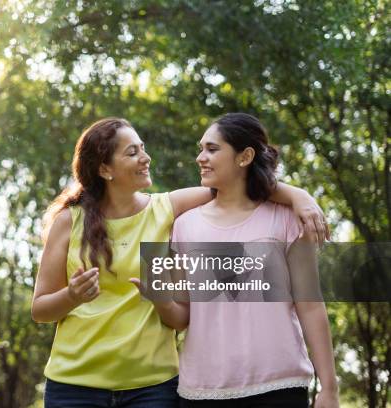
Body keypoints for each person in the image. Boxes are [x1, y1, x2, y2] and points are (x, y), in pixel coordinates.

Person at [32, 117, 329, 408]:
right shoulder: (70, 222)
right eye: (132, 152)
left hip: (151, 387)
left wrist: (297, 196)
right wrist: (72, 296)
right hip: (75, 385)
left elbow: (237, 184)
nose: (145, 157)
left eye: (142, 147)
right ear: (105, 169)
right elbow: (40, 310)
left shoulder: (168, 210)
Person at [145, 113, 339, 407]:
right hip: (202, 391)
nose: (200, 157)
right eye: (201, 149)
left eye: (212, 149)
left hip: (279, 389)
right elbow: (183, 315)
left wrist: (329, 388)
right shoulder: (185, 225)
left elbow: (310, 306)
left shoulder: (286, 218)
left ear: (245, 156)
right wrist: (161, 302)